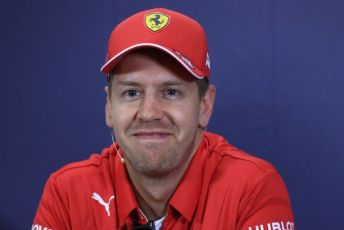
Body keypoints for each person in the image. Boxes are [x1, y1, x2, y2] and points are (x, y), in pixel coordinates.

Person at [32, 8, 295, 230]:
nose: (149, 113)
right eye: (132, 92)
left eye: (171, 92)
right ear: (109, 107)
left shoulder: (251, 188)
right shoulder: (67, 192)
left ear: (205, 105)